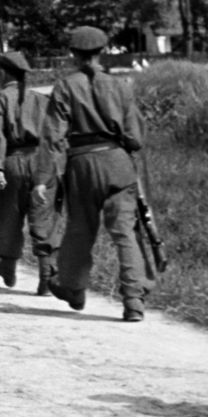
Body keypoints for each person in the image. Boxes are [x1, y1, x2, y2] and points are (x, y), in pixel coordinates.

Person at [35, 26, 154, 322]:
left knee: (80, 228)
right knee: (125, 231)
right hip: (118, 162)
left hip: (83, 164)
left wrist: (42, 177)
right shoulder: (120, 86)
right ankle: (134, 301)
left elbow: (51, 136)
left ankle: (74, 289)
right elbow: (135, 138)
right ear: (102, 51)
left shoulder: (65, 86)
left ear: (73, 54)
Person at [0, 52, 59, 293]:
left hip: (13, 162)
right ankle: (46, 275)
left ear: (4, 72)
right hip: (42, 162)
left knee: (8, 215)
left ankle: (8, 265)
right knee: (43, 217)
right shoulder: (42, 100)